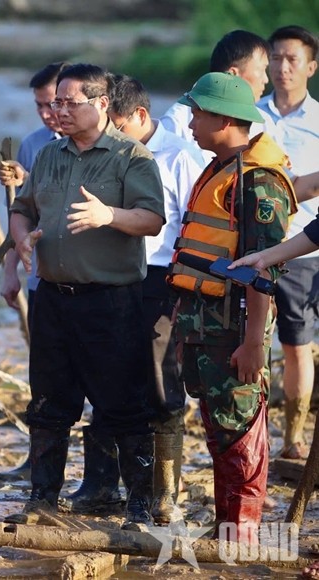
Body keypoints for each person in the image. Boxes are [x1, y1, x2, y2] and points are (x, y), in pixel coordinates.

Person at [7, 63, 165, 530]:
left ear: (100, 103)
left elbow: (151, 219)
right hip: (52, 299)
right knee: (48, 404)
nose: (58, 112)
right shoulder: (51, 155)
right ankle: (42, 500)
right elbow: (22, 208)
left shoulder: (130, 156)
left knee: (122, 405)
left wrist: (108, 215)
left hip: (110, 302)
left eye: (68, 103)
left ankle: (139, 504)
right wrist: (20, 241)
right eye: (55, 102)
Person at [61, 75, 205, 522]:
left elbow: (194, 228)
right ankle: (102, 484)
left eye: (118, 124)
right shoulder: (105, 153)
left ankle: (164, 490)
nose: (111, 133)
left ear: (140, 117)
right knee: (107, 381)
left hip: (163, 280)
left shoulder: (182, 156)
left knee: (162, 388)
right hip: (113, 277)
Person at [168, 72, 295, 542]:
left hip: (233, 330)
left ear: (224, 119)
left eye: (198, 114)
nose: (191, 122)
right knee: (219, 429)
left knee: (240, 432)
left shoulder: (258, 183)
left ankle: (240, 535)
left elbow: (263, 273)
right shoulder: (220, 167)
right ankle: (226, 530)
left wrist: (252, 343)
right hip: (202, 325)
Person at [256, 25, 319, 460]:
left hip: (305, 245)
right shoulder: (251, 114)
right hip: (254, 244)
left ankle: (293, 437)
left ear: (311, 67)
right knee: (251, 340)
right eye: (275, 58)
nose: (282, 67)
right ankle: (252, 433)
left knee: (297, 343)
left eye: (292, 59)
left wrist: (292, 189)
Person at [0, 61, 69, 318]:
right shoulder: (33, 144)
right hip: (40, 276)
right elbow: (19, 215)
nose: (45, 113)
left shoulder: (94, 145)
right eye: (39, 105)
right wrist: (10, 273)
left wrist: (28, 179)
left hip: (84, 280)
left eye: (51, 104)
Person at [160, 29, 273, 164]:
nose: (266, 79)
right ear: (232, 75)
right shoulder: (178, 121)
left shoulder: (263, 121)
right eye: (261, 70)